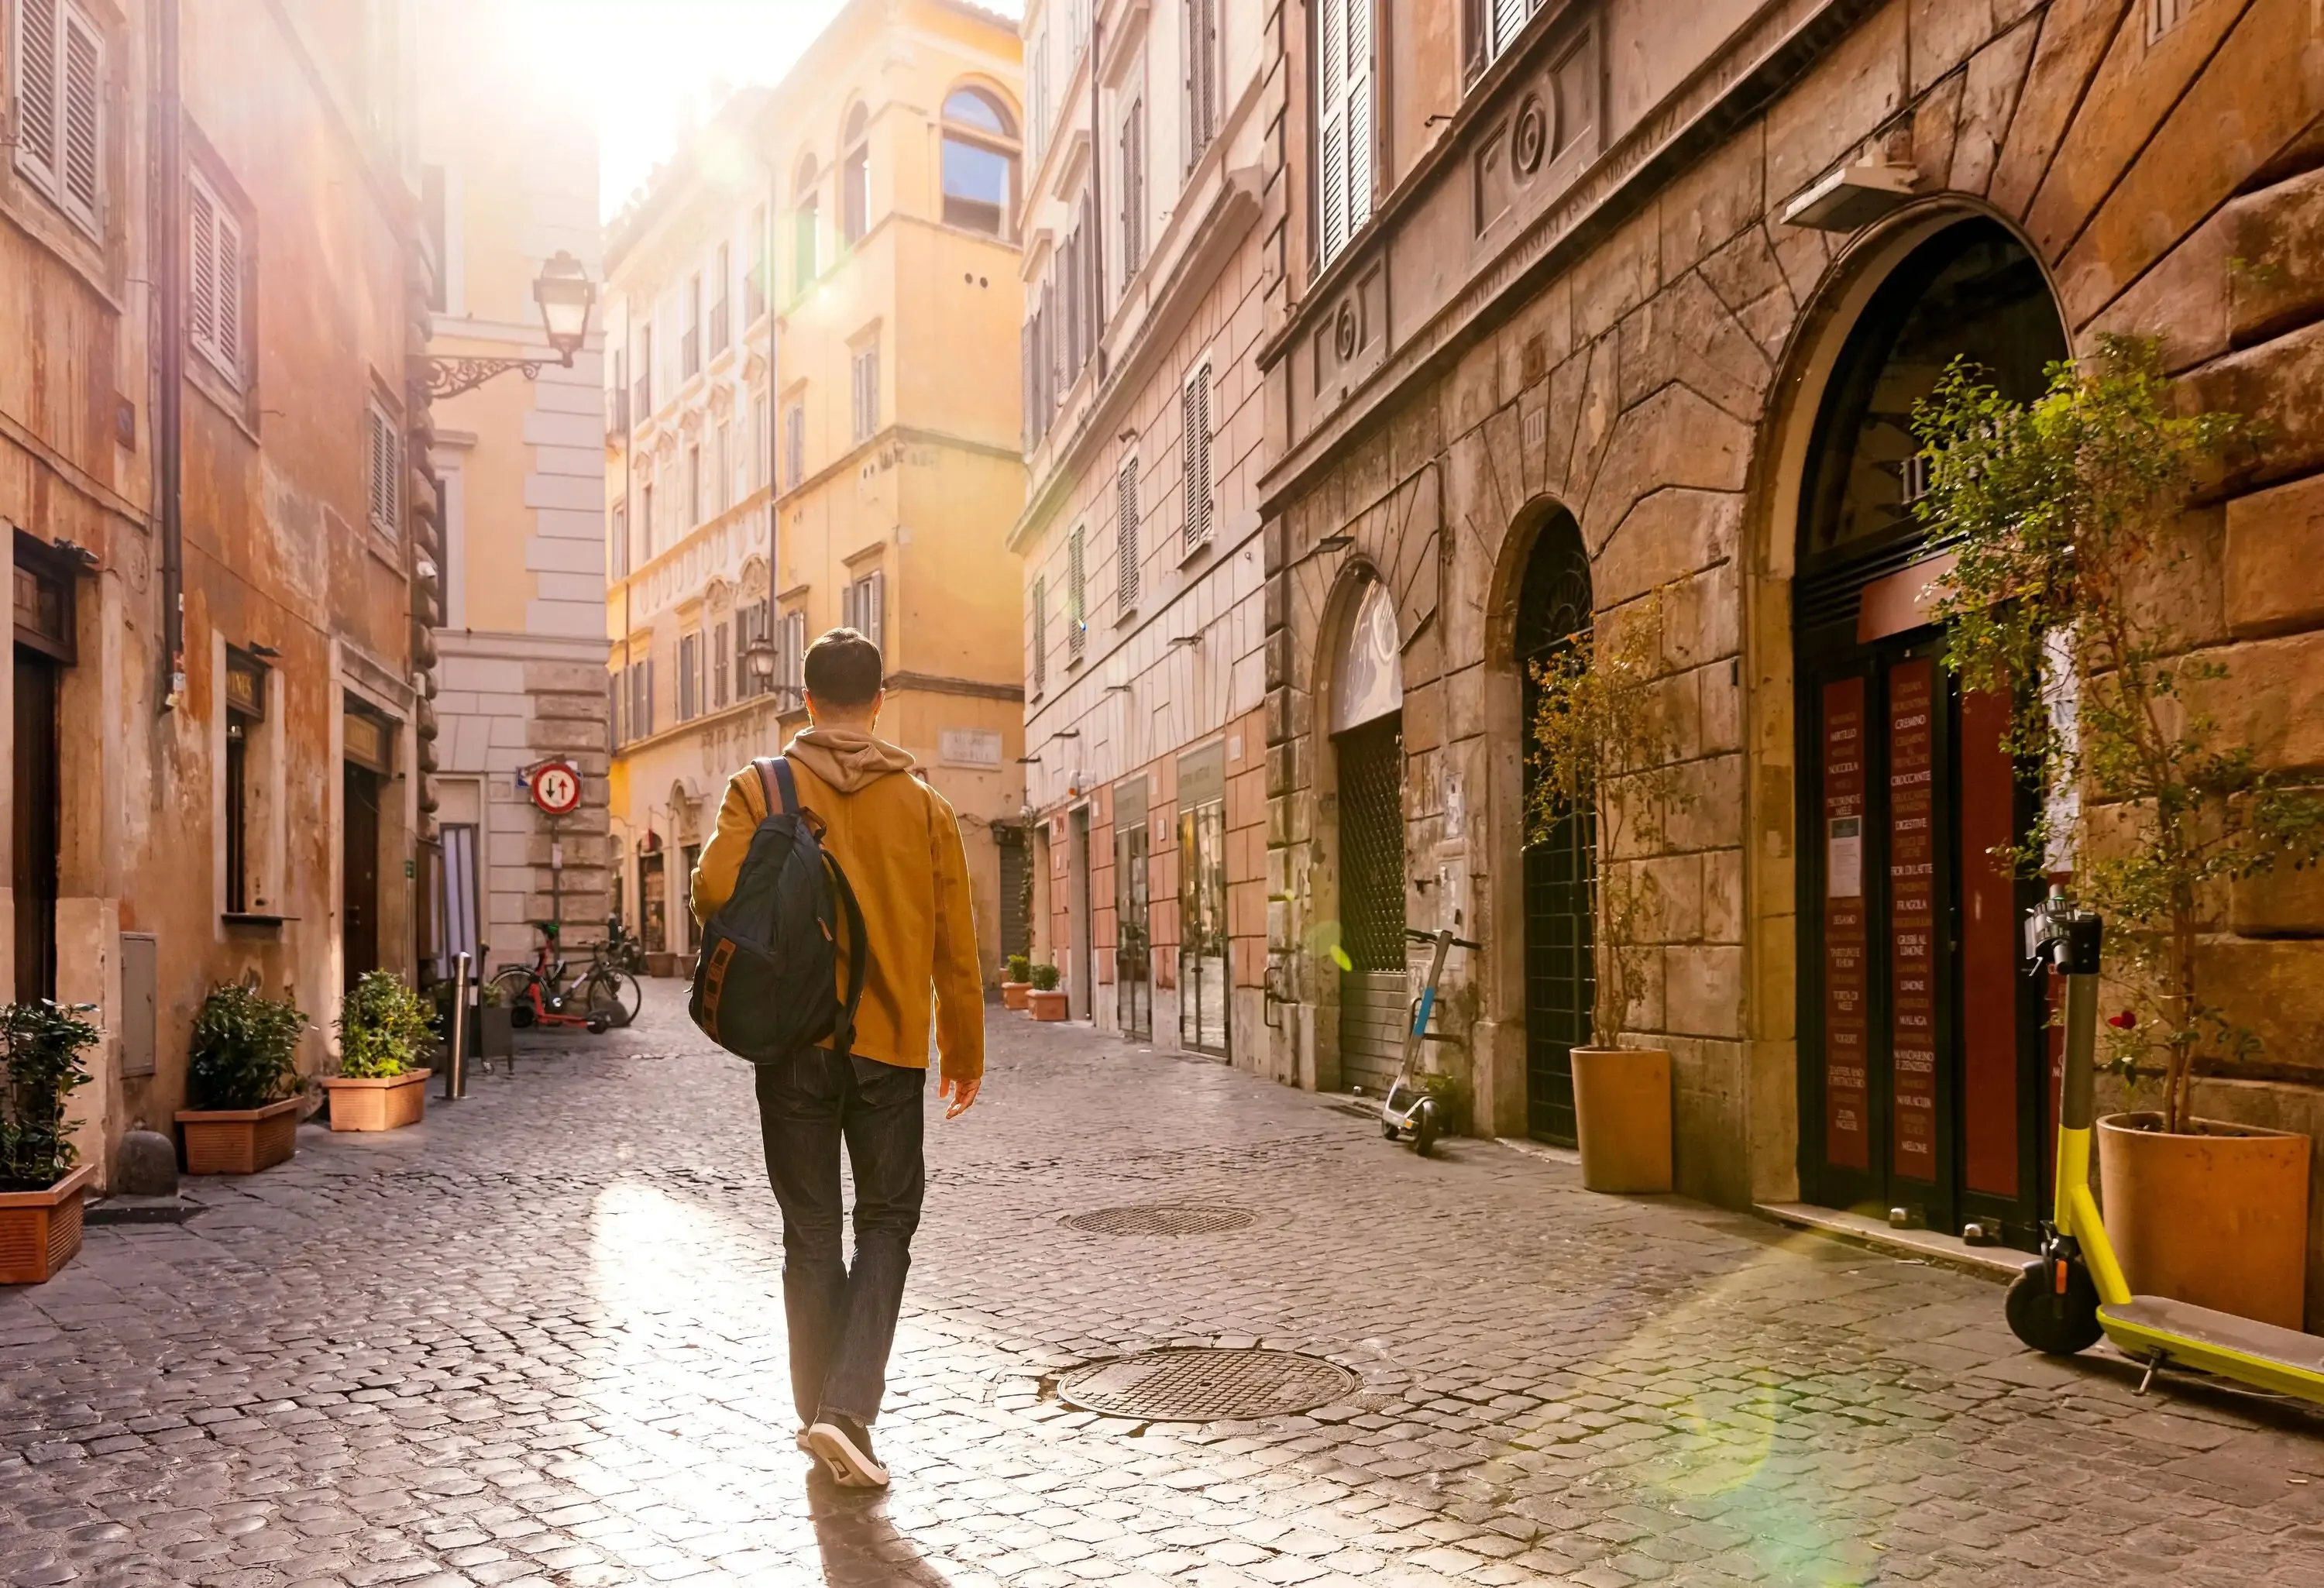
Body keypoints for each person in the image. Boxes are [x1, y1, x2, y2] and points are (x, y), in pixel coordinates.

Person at [690, 627, 984, 1488]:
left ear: (808, 701)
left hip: (793, 1043)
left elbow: (711, 890)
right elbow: (954, 945)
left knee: (810, 1231)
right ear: (880, 701)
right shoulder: (924, 806)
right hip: (890, 1050)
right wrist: (962, 1048)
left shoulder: (760, 787)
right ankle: (845, 1411)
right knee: (888, 1221)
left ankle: (819, 1410)